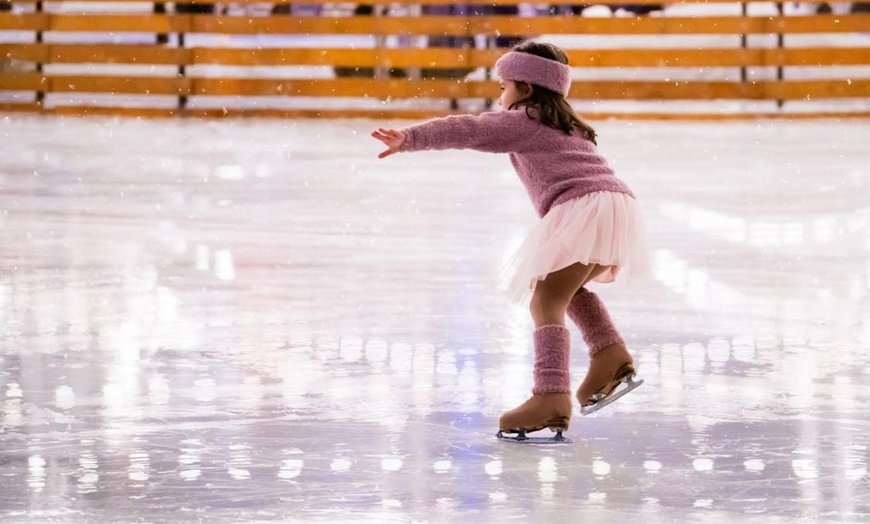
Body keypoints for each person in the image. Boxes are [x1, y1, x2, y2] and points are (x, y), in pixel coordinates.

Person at [370, 42, 647, 442]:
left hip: (584, 206)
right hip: (615, 205)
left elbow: (469, 129)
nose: (500, 97)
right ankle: (609, 355)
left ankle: (551, 395)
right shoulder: (567, 123)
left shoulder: (525, 119)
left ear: (527, 88)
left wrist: (410, 138)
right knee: (563, 289)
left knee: (545, 300)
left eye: (504, 87)